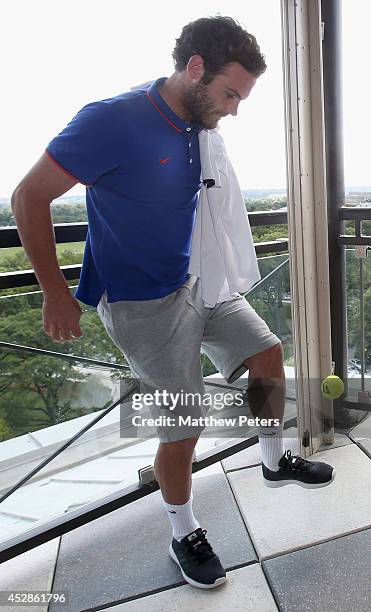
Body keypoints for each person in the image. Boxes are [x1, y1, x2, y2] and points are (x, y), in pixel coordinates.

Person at [11, 15, 335, 590]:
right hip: (140, 303)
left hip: (199, 282)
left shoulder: (195, 121)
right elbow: (29, 195)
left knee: (267, 354)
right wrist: (54, 292)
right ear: (194, 69)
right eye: (230, 93)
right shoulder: (111, 120)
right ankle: (183, 530)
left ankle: (272, 461)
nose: (234, 109)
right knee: (183, 420)